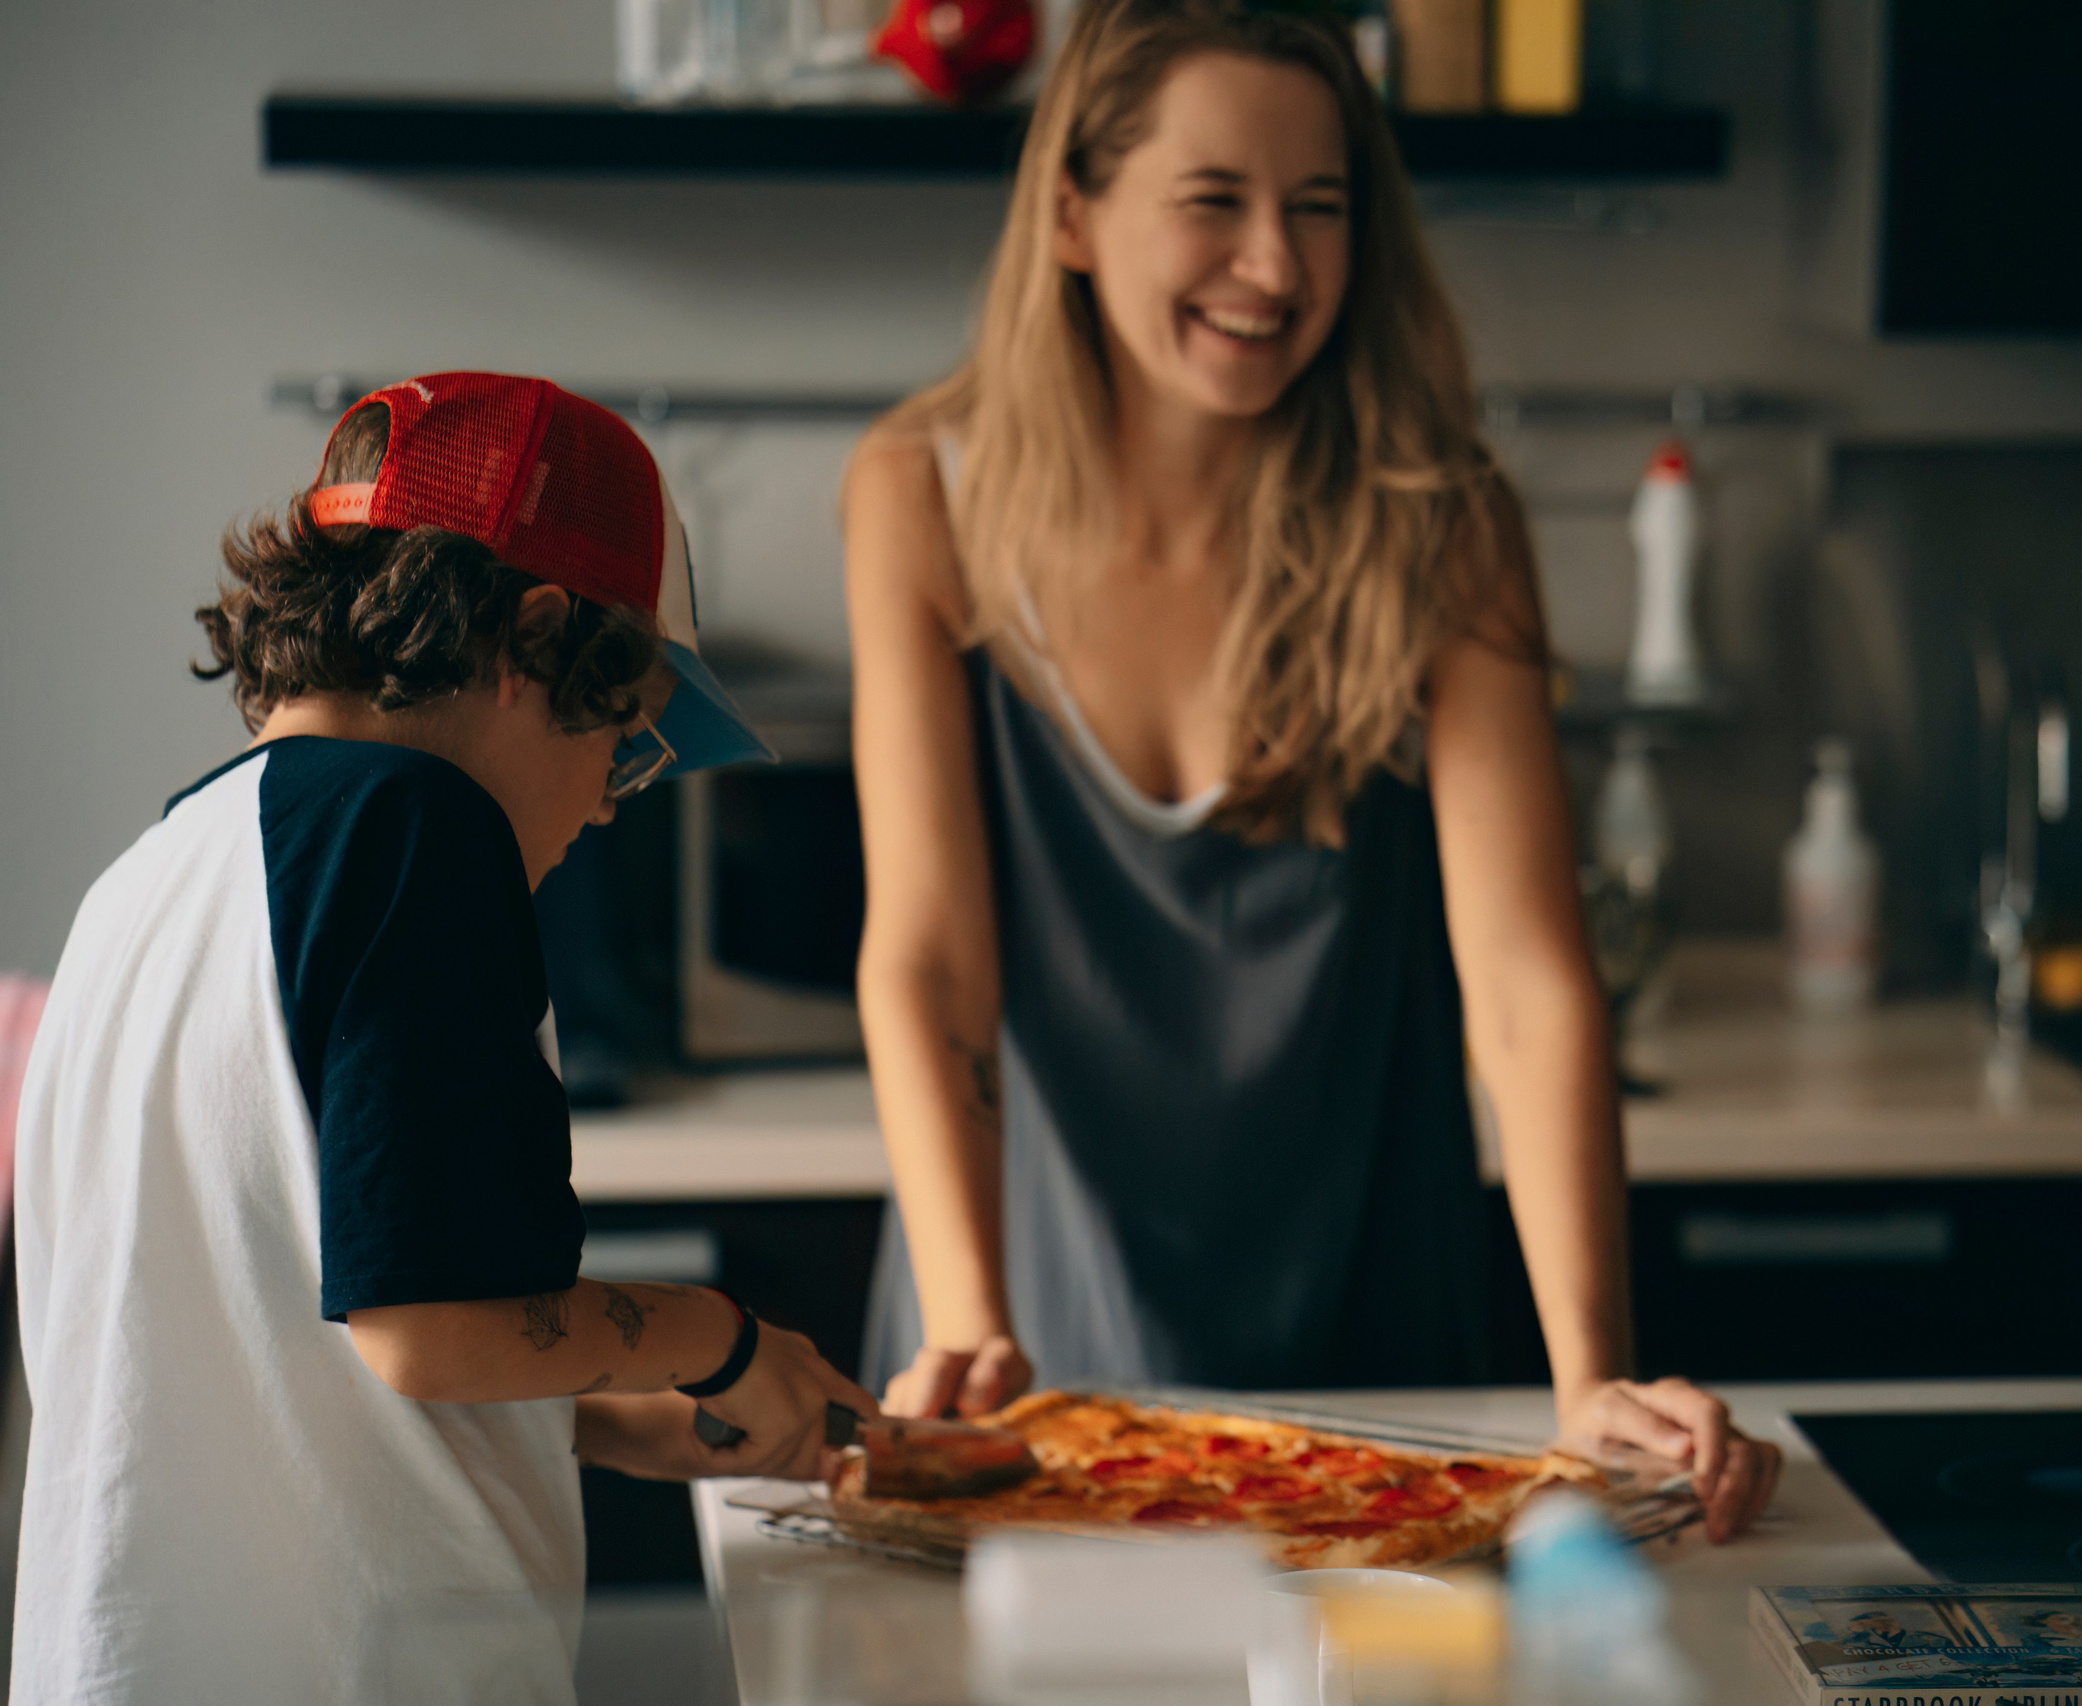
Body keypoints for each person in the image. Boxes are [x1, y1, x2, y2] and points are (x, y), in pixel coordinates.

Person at [844, 0, 1781, 1539]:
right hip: (1031, 1329)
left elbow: (1529, 973)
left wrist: (1590, 1374)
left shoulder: (1442, 516)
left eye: (1321, 209)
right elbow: (930, 962)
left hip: (1385, 1346)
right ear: (1072, 213)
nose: (1275, 269)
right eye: (1213, 203)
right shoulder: (919, 494)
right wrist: (970, 1316)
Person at [11, 373, 876, 1705]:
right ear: (534, 639)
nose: (602, 812)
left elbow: (282, 1341)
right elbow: (430, 1326)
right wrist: (721, 1338)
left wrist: (622, 1422)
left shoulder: (155, 870)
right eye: (627, 745)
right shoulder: (417, 828)